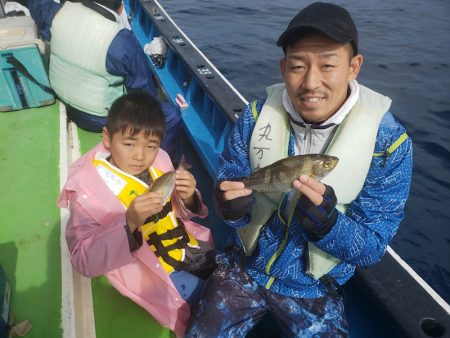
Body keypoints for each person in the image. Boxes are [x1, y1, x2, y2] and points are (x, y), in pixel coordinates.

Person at [185, 2, 413, 337]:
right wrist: (229, 207)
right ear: (282, 67)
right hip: (244, 267)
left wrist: (329, 225)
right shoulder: (255, 117)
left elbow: (373, 246)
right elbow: (228, 182)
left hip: (315, 289)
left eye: (327, 65)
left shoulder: (389, 145)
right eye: (298, 66)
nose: (310, 82)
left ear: (353, 67)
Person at [57, 92, 216, 337]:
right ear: (108, 138)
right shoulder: (86, 190)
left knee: (229, 280)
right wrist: (129, 222)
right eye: (129, 144)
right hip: (152, 272)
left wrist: (187, 197)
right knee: (215, 301)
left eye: (151, 146)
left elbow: (175, 213)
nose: (140, 156)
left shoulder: (160, 160)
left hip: (187, 248)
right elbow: (82, 258)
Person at [28, 0, 181, 157]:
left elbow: (37, 5)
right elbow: (145, 99)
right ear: (121, 7)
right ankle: (159, 167)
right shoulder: (122, 40)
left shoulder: (58, 12)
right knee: (171, 116)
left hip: (64, 100)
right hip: (98, 118)